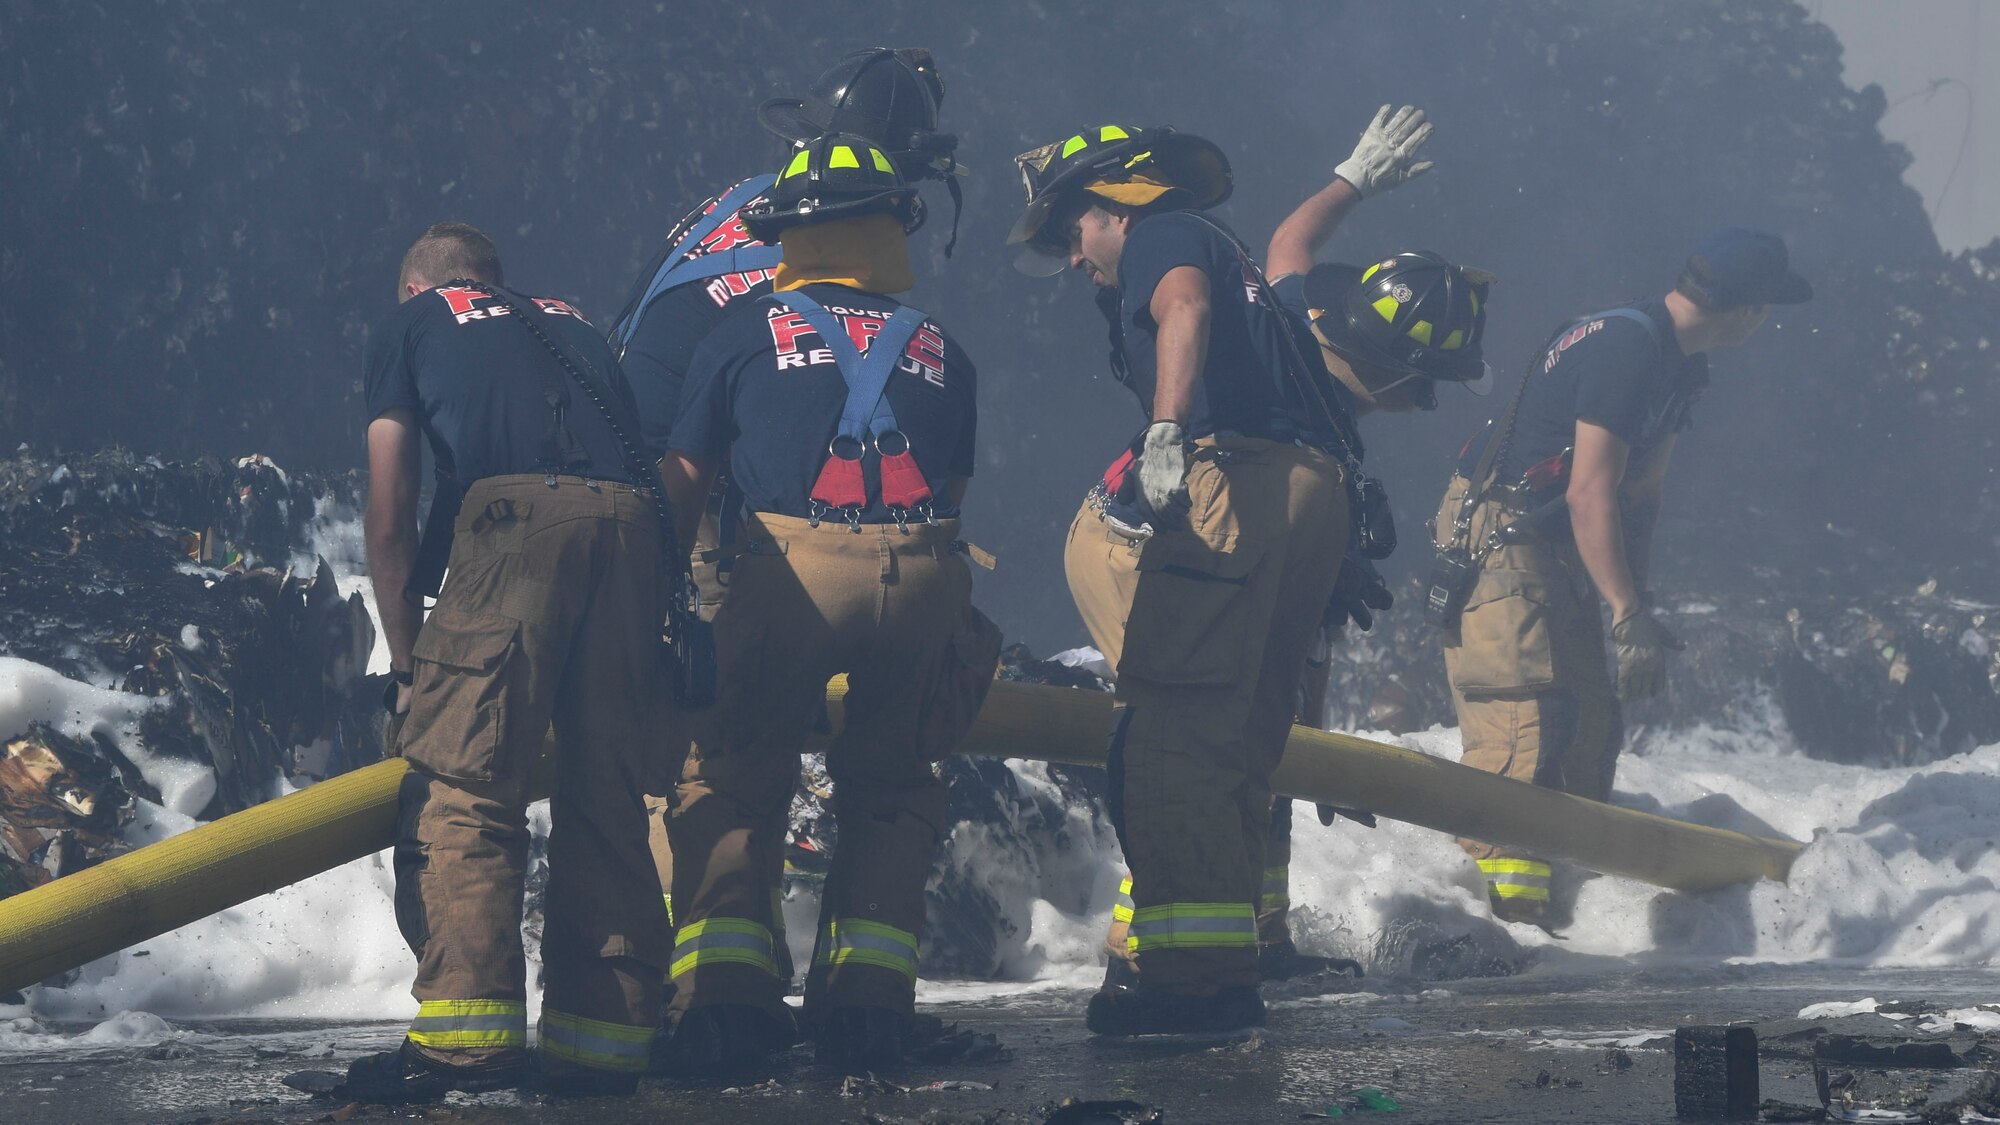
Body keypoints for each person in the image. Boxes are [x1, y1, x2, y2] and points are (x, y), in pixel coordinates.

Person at [605, 47, 958, 978]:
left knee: (718, 739)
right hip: (679, 470)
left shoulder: (746, 201)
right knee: (709, 746)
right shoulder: (812, 246)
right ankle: (698, 977)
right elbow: (792, 397)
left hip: (637, 443)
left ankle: (718, 983)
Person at [656, 133, 993, 1074]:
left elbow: (686, 476)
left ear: (788, 239)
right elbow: (952, 492)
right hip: (924, 567)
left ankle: (726, 1004)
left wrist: (658, 595)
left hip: (789, 567)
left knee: (731, 776)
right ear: (891, 230)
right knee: (892, 787)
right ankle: (867, 1009)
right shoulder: (942, 349)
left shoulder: (741, 334)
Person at [1010, 124, 1351, 1035]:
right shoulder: (1228, 246)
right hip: (1311, 491)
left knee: (1174, 729)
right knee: (1239, 736)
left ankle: (1187, 980)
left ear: (1107, 205)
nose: (1073, 261)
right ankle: (1225, 963)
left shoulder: (1162, 232)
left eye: (1068, 236)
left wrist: (1167, 427)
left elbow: (1184, 307)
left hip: (1234, 476)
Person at [352, 223, 675, 1100]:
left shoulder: (413, 324)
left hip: (515, 528)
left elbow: (392, 509)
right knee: (606, 792)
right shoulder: (571, 327)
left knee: (466, 785)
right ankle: (600, 1046)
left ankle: (465, 1042)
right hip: (631, 533)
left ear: (420, 287)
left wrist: (410, 656)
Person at [1430, 226, 1811, 925]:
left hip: (1559, 544)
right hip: (1506, 531)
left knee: (1589, 723)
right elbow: (1589, 493)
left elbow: (1641, 492)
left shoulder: (1680, 363)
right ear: (1750, 309)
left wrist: (1633, 600)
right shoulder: (1627, 349)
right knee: (1527, 727)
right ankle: (1506, 928)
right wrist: (1624, 612)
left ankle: (1575, 917)